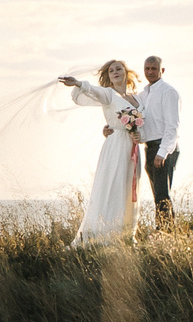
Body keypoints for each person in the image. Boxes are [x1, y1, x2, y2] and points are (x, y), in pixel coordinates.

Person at [57, 60, 144, 245]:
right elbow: (94, 91)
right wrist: (78, 83)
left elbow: (147, 120)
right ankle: (105, 234)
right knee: (114, 185)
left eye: (118, 69)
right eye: (111, 71)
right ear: (109, 76)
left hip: (133, 149)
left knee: (130, 187)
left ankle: (127, 235)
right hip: (116, 146)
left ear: (126, 72)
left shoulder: (137, 98)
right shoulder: (109, 94)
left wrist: (139, 134)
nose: (115, 72)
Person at [140, 56, 181, 225]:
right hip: (150, 147)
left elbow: (172, 126)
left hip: (164, 148)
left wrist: (162, 153)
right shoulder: (144, 94)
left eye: (154, 69)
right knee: (158, 194)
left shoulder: (168, 92)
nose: (150, 72)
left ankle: (165, 233)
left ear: (161, 70)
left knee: (162, 194)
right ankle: (166, 231)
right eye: (147, 69)